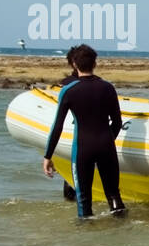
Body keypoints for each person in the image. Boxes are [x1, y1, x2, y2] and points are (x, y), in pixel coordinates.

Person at [42, 44, 127, 219]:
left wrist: (48, 156)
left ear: (74, 64)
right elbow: (117, 122)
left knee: (84, 200)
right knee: (113, 195)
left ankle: (86, 240)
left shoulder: (68, 91)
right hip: (106, 146)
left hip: (83, 148)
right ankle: (122, 235)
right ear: (94, 63)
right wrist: (107, 141)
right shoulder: (108, 88)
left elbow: (57, 126)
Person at [56, 48, 79, 202]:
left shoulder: (65, 86)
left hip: (74, 141)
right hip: (100, 142)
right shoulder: (103, 85)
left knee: (72, 189)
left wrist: (48, 155)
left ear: (72, 64)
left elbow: (57, 122)